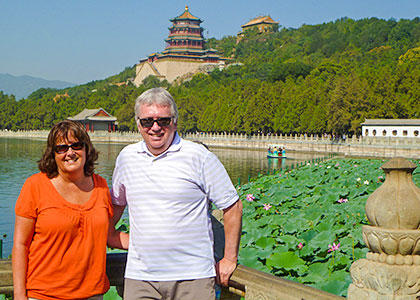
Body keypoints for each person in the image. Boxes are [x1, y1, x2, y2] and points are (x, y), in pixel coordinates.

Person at [108, 87, 243, 300]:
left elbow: (232, 206)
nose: (155, 128)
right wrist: (129, 241)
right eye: (147, 122)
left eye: (163, 121)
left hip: (193, 277)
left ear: (175, 122)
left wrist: (229, 258)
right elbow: (115, 208)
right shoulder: (127, 158)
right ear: (138, 124)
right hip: (140, 278)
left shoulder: (199, 156)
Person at [12, 120, 113, 300]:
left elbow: (109, 235)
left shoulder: (101, 186)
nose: (70, 153)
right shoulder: (35, 186)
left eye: (76, 145)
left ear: (86, 149)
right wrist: (20, 295)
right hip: (44, 294)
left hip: (92, 294)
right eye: (62, 148)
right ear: (53, 153)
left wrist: (152, 241)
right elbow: (21, 245)